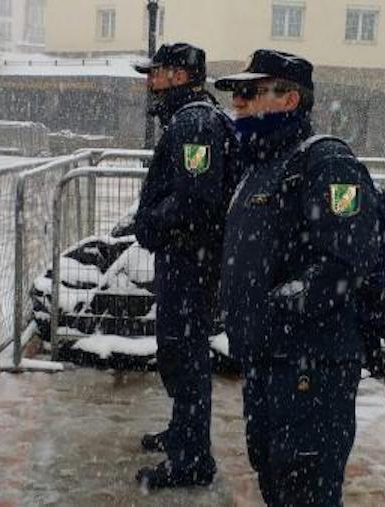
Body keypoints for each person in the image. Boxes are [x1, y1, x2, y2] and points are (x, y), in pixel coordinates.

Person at [216, 49, 381, 506]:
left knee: (305, 487)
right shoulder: (262, 164)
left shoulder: (329, 165)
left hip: (310, 367)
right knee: (274, 476)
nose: (239, 102)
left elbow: (349, 259)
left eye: (250, 92)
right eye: (236, 93)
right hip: (269, 361)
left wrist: (279, 310)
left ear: (289, 99)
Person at [131, 42, 237, 490]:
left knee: (185, 356)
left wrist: (151, 222)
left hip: (191, 259)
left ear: (177, 76)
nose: (149, 83)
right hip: (188, 256)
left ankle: (193, 459)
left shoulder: (195, 124)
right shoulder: (188, 118)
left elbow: (196, 197)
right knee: (179, 353)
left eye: (154, 74)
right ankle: (183, 433)